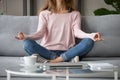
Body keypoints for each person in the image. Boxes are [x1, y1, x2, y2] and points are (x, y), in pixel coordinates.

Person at [15, 0, 103, 63]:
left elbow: (77, 32)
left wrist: (91, 35)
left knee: (88, 42)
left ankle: (54, 61)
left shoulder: (75, 14)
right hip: (47, 51)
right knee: (27, 43)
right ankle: (63, 59)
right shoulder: (44, 14)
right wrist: (26, 36)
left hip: (69, 51)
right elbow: (40, 33)